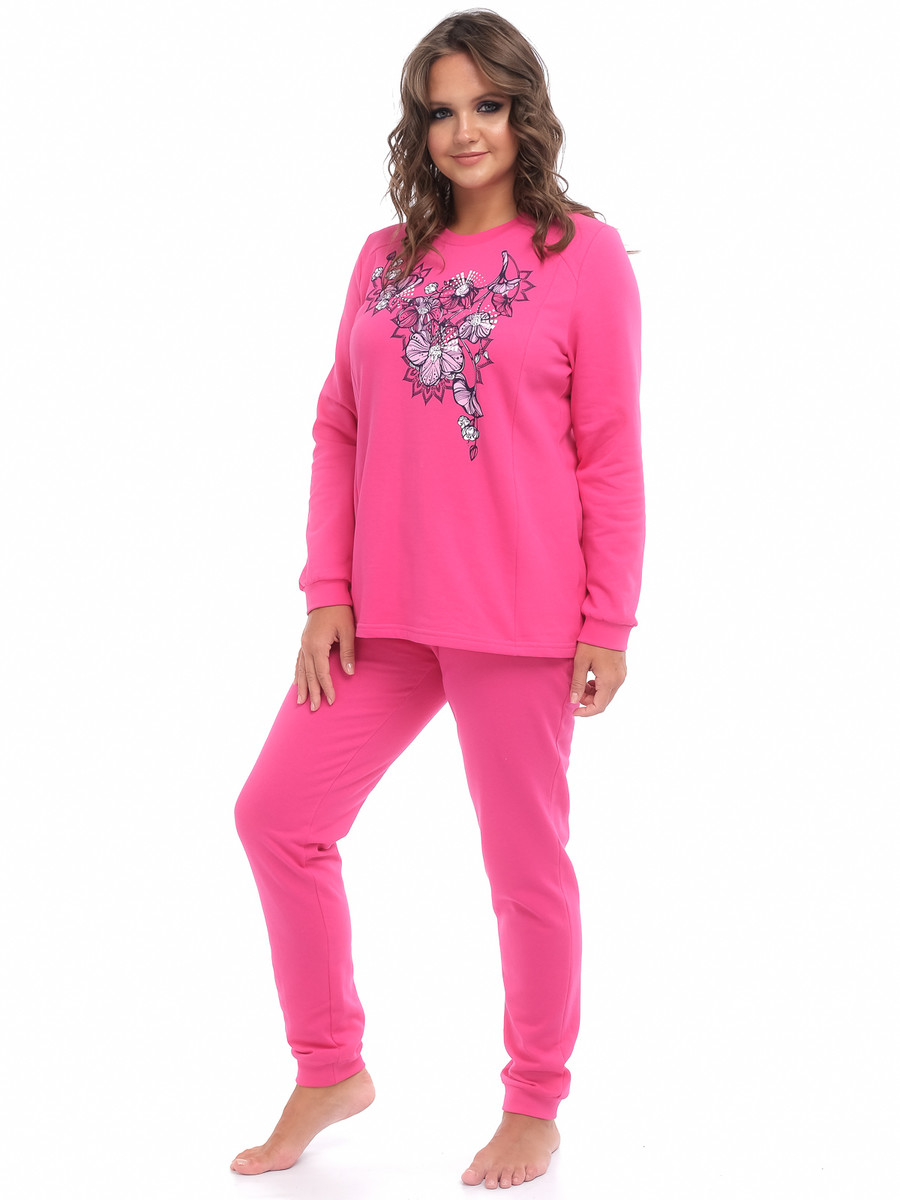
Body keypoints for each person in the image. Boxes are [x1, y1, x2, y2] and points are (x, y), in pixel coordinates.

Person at [230, 7, 644, 1190]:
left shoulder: (583, 257)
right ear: (419, 128)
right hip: (383, 617)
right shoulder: (382, 259)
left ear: (524, 113)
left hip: (520, 616)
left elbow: (610, 451)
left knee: (524, 869)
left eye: (488, 106)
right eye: (443, 110)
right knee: (277, 816)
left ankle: (534, 1102)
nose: (466, 131)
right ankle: (329, 1065)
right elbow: (339, 425)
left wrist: (608, 620)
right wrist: (326, 589)